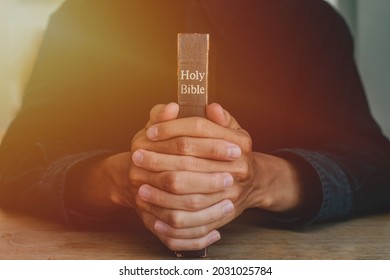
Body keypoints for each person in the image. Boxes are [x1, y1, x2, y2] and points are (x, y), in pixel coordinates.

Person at [0, 0, 389, 252]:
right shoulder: (84, 15)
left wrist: (261, 180)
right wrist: (120, 179)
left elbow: (374, 165)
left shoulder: (312, 19)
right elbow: (16, 159)